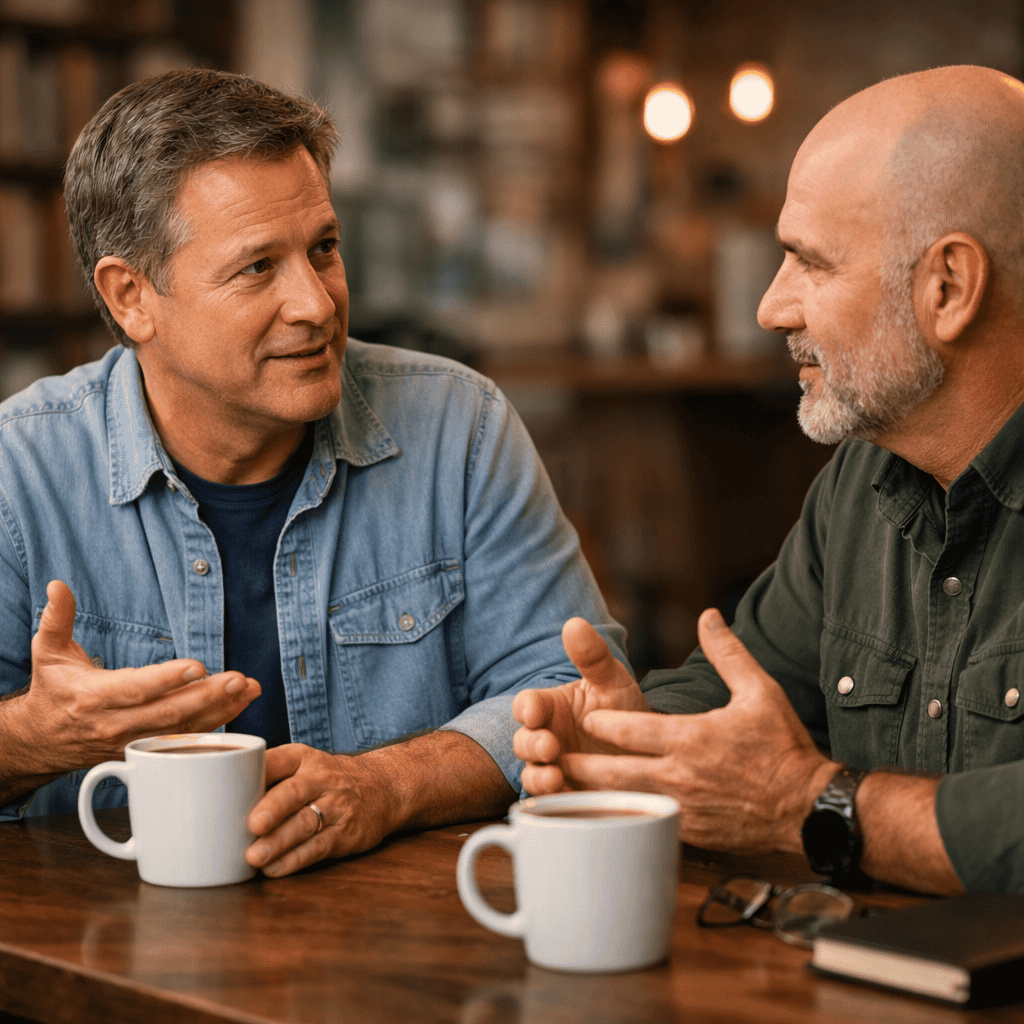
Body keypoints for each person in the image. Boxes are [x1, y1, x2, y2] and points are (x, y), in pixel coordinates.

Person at [0, 69, 627, 878]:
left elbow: (573, 695)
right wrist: (31, 738)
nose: (317, 304)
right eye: (258, 267)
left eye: (323, 249)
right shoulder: (19, 469)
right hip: (99, 958)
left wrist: (391, 785)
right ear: (131, 298)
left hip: (402, 952)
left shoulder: (459, 425)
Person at [513, 64, 1024, 897]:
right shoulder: (861, 484)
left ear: (949, 287)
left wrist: (810, 808)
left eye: (810, 264)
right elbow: (738, 691)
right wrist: (634, 744)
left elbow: (789, 796)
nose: (770, 308)